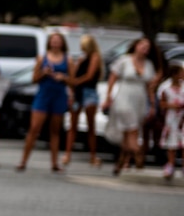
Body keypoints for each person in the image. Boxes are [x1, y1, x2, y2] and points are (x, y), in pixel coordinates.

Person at [16, 31, 74, 172]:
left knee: (55, 130)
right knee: (34, 128)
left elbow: (73, 81)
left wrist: (63, 78)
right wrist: (44, 73)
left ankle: (54, 163)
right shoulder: (42, 58)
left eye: (58, 40)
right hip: (43, 95)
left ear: (62, 43)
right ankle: (23, 161)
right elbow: (33, 79)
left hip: (59, 95)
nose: (55, 43)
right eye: (53, 40)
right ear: (49, 42)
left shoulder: (68, 60)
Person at [103, 37, 159, 175]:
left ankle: (121, 163)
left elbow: (149, 88)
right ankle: (139, 159)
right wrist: (108, 97)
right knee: (132, 131)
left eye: (147, 47)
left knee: (128, 133)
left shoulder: (149, 64)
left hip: (139, 100)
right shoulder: (124, 60)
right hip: (124, 98)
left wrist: (152, 105)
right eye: (142, 45)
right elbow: (112, 78)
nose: (144, 49)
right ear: (135, 46)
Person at [63, 34, 104, 167]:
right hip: (78, 93)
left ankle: (93, 155)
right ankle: (68, 154)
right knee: (72, 125)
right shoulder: (82, 58)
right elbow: (74, 74)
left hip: (89, 92)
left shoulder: (95, 57)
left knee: (90, 125)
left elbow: (89, 76)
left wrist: (75, 82)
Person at [158, 61, 184, 179]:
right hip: (172, 118)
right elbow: (162, 104)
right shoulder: (166, 88)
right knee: (171, 142)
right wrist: (172, 106)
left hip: (182, 118)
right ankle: (171, 164)